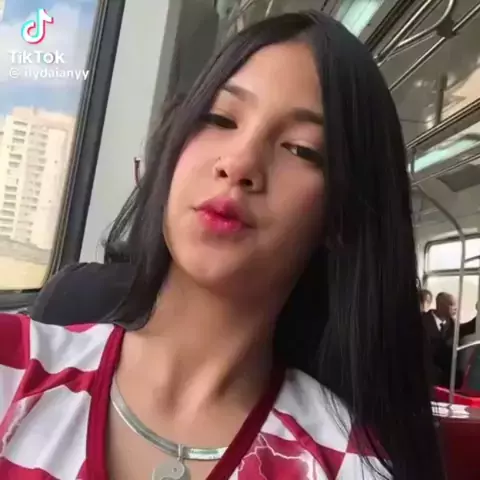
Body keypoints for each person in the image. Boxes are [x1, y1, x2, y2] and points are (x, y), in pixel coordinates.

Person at [0, 11, 445, 479]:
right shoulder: (13, 364)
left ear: (340, 218)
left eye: (300, 148)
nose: (239, 162)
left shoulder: (349, 467)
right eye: (219, 118)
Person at [422, 292, 457, 387]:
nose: (456, 308)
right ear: (441, 305)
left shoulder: (453, 325)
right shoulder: (421, 322)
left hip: (445, 382)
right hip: (425, 379)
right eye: (452, 305)